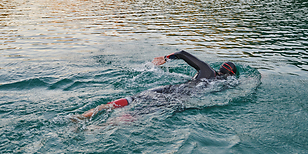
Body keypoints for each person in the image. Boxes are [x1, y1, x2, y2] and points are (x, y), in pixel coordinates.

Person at [79, 50, 238, 118]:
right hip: (181, 97)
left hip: (170, 89)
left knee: (135, 98)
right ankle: (99, 129)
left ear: (220, 68)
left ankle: (86, 114)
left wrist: (166, 58)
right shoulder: (226, 84)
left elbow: (182, 54)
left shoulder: (207, 70)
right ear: (231, 74)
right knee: (140, 113)